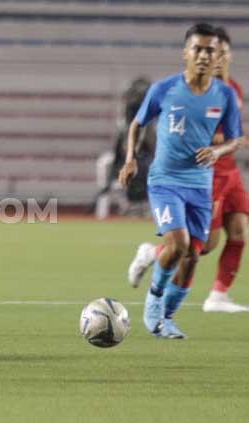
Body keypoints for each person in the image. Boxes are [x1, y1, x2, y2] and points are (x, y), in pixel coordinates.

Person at [120, 23, 243, 339]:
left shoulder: (225, 95)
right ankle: (154, 301)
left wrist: (218, 151)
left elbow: (235, 139)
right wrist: (131, 159)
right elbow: (137, 124)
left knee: (192, 257)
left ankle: (167, 319)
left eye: (210, 50)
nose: (203, 55)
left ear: (218, 56)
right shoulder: (165, 89)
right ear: (185, 53)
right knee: (179, 244)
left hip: (201, 185)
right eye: (198, 49)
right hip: (165, 181)